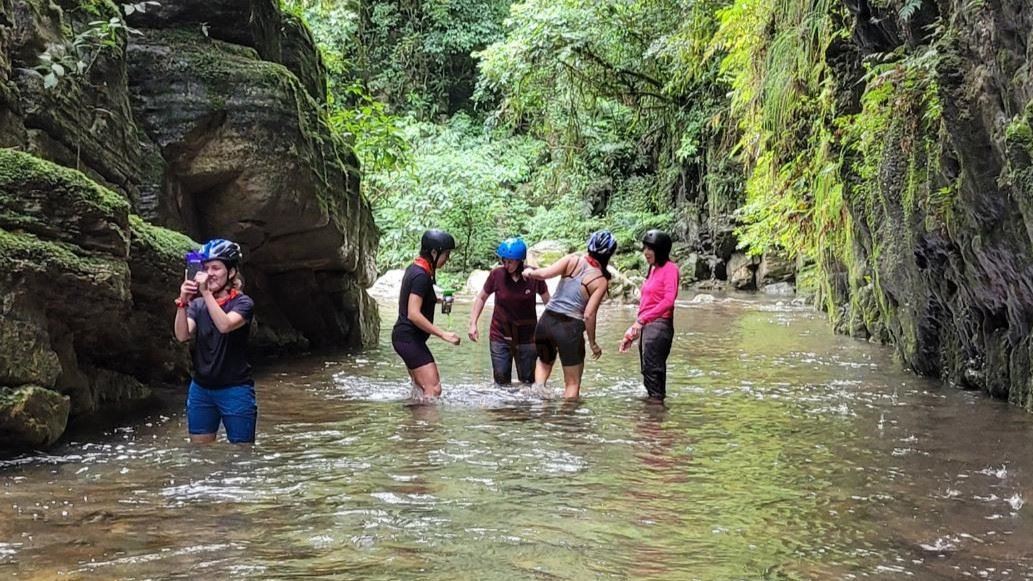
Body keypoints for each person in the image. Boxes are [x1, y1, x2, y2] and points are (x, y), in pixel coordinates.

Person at [173, 238, 257, 444]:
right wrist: (183, 302)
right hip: (201, 389)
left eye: (216, 268)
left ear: (230, 272)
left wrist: (205, 293)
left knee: (242, 454)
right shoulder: (198, 304)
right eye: (205, 268)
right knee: (200, 454)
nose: (209, 273)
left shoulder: (243, 303)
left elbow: (225, 325)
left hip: (235, 389)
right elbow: (183, 335)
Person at [522, 230, 617, 399]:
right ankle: (567, 422)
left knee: (543, 365)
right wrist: (593, 343)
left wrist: (529, 272)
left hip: (546, 323)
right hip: (569, 329)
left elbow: (543, 274)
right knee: (572, 384)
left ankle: (539, 409)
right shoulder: (601, 281)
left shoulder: (572, 260)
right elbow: (588, 314)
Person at [468, 237, 551, 387]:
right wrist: (473, 323)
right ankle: (504, 411)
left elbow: (548, 301)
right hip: (500, 335)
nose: (506, 265)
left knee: (528, 383)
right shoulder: (496, 275)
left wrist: (553, 326)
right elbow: (481, 298)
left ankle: (522, 411)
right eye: (503, 261)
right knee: (501, 383)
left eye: (510, 262)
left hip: (528, 337)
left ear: (520, 260)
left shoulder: (533, 276)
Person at [391, 229, 462, 399]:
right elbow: (413, 314)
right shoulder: (421, 276)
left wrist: (437, 301)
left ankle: (414, 424)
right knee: (433, 388)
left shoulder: (416, 269)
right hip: (409, 339)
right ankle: (426, 425)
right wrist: (443, 334)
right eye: (446, 254)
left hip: (405, 338)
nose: (448, 258)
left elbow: (416, 300)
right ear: (434, 252)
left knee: (421, 389)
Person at [620, 230, 679, 402]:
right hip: (648, 326)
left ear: (660, 250)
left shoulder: (670, 269)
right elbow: (647, 303)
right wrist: (633, 330)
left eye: (650, 249)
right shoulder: (653, 269)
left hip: (659, 327)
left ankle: (654, 420)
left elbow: (668, 300)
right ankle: (652, 419)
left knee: (653, 374)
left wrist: (641, 321)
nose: (645, 252)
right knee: (648, 373)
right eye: (644, 248)